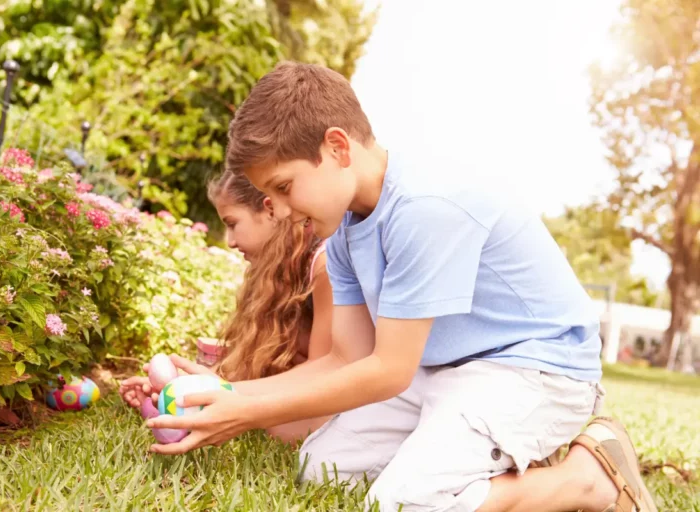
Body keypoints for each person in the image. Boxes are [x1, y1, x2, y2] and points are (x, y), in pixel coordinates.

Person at [146, 61, 658, 512]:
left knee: (403, 504)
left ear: (337, 148)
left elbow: (389, 371)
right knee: (321, 469)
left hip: (536, 372)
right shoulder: (345, 230)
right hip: (447, 372)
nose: (277, 209)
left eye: (283, 187)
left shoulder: (423, 206)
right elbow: (347, 359)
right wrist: (228, 392)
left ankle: (588, 479)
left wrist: (247, 411)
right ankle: (477, 454)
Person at [119, 169, 333, 443]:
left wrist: (225, 395)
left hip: (342, 402)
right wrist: (188, 390)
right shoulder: (277, 271)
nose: (230, 241)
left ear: (270, 212)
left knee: (274, 429)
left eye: (232, 224)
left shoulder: (322, 265)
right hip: (309, 397)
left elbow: (324, 373)